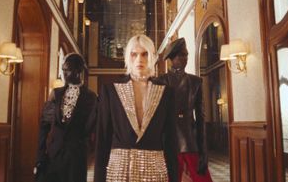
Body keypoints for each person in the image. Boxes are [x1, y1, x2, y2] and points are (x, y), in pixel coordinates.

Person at [94, 34, 178, 182]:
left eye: (145, 54)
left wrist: (174, 177)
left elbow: (171, 140)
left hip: (154, 170)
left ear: (152, 57)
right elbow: (103, 139)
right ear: (128, 57)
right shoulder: (111, 91)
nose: (140, 59)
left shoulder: (166, 93)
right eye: (134, 54)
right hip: (119, 171)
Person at [34, 53, 97, 182]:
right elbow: (44, 126)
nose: (64, 73)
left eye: (67, 70)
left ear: (78, 71)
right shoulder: (55, 94)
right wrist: (40, 157)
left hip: (77, 157)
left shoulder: (91, 97)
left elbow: (93, 129)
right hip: (54, 155)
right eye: (63, 70)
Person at [157, 38, 213, 182]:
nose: (185, 58)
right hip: (167, 145)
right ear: (172, 58)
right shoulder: (160, 81)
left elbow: (201, 119)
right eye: (181, 55)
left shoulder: (196, 82)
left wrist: (204, 152)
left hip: (190, 144)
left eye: (186, 54)